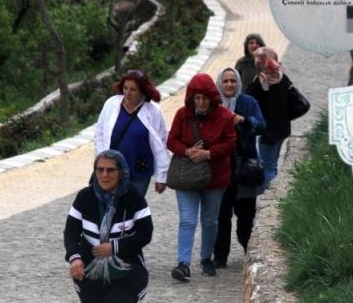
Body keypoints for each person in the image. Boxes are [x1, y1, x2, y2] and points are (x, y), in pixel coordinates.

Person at [167, 73, 237, 281]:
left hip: (215, 177)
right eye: (197, 98)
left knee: (209, 220)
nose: (201, 102)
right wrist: (187, 151)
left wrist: (209, 153)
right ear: (191, 98)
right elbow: (171, 140)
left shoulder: (224, 116)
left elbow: (231, 143)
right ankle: (183, 263)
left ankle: (206, 258)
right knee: (187, 220)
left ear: (212, 98)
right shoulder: (182, 115)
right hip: (187, 177)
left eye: (204, 98)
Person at [63, 149, 153, 303]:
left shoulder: (133, 197)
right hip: (89, 273)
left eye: (110, 170)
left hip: (127, 272)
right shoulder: (84, 197)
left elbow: (145, 233)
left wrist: (114, 247)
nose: (104, 175)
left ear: (121, 173)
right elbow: (71, 231)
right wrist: (75, 258)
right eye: (100, 170)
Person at [212, 67, 266, 269]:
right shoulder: (214, 104)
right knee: (221, 215)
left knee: (246, 216)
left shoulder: (248, 102)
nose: (229, 85)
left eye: (233, 81)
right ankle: (220, 256)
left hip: (245, 169)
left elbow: (262, 126)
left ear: (238, 83)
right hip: (221, 169)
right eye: (225, 81)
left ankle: (248, 249)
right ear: (220, 83)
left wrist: (245, 120)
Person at [94, 69, 170, 197]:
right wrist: (102, 161)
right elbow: (100, 133)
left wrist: (161, 177)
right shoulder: (111, 104)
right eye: (125, 88)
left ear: (142, 91)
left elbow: (161, 142)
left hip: (139, 172)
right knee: (109, 210)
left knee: (133, 212)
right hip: (112, 171)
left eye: (133, 90)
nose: (128, 93)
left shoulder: (153, 111)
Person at [245, 47, 299, 192]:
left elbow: (247, 99)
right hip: (282, 129)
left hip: (268, 132)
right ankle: (272, 192)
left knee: (267, 167)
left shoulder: (261, 82)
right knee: (272, 164)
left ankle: (269, 196)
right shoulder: (282, 77)